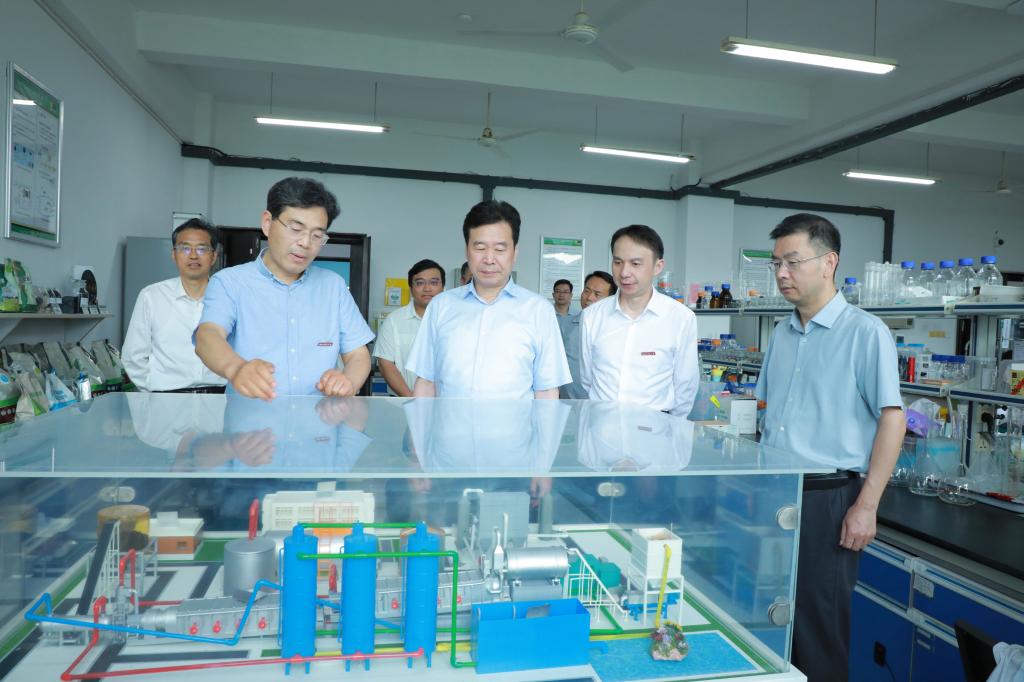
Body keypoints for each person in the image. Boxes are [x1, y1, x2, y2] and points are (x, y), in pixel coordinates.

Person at [755, 213, 905, 682]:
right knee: (771, 622)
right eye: (776, 263)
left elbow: (893, 419)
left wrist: (867, 506)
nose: (782, 273)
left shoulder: (865, 332)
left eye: (792, 261)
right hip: (775, 493)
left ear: (829, 262)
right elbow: (766, 412)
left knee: (817, 629)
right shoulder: (781, 333)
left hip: (828, 498)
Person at [195, 177, 374, 399]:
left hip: (319, 418)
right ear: (267, 223)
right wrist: (237, 368)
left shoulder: (333, 286)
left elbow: (358, 355)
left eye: (317, 235)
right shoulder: (230, 282)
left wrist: (349, 381)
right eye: (296, 229)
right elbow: (208, 336)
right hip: (251, 420)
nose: (305, 243)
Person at [406, 200, 570, 400]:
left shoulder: (538, 310)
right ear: (467, 250)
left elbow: (546, 390)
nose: (489, 259)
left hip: (516, 422)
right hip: (448, 421)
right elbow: (426, 381)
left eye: (500, 249)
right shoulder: (441, 306)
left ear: (515, 252)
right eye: (480, 248)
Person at [580, 225, 699, 416]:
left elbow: (685, 386)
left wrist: (670, 427)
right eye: (618, 262)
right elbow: (587, 379)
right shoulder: (592, 316)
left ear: (658, 266)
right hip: (602, 425)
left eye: (635, 264)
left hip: (655, 427)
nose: (624, 272)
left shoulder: (680, 318)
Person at [122, 218, 227, 393]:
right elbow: (133, 356)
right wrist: (154, 389)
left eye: (201, 248)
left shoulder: (228, 298)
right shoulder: (152, 296)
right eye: (185, 248)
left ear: (214, 256)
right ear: (174, 254)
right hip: (166, 398)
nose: (193, 255)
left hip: (219, 397)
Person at [373, 259, 445, 396]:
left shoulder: (453, 321)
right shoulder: (394, 320)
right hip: (403, 402)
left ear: (443, 287)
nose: (427, 288)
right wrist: (411, 400)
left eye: (434, 282)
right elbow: (385, 363)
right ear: (411, 288)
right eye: (420, 283)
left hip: (446, 403)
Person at [559, 271, 616, 399]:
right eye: (586, 291)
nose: (589, 297)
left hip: (602, 401)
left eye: (597, 294)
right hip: (568, 400)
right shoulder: (566, 324)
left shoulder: (616, 329)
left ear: (610, 299)